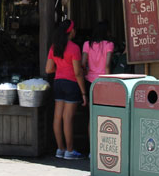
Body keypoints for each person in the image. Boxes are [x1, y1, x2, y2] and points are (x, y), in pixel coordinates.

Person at [45, 19, 85, 160]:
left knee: (58, 117)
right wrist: (84, 93)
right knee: (68, 118)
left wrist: (61, 68)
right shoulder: (74, 48)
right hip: (71, 84)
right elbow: (78, 72)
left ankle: (60, 149)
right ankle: (70, 150)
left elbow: (48, 69)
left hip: (58, 82)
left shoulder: (54, 47)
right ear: (71, 31)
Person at [82, 21, 114, 85]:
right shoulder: (109, 44)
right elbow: (107, 65)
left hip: (89, 80)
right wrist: (108, 82)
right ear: (106, 32)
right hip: (104, 80)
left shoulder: (87, 44)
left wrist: (86, 74)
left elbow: (83, 64)